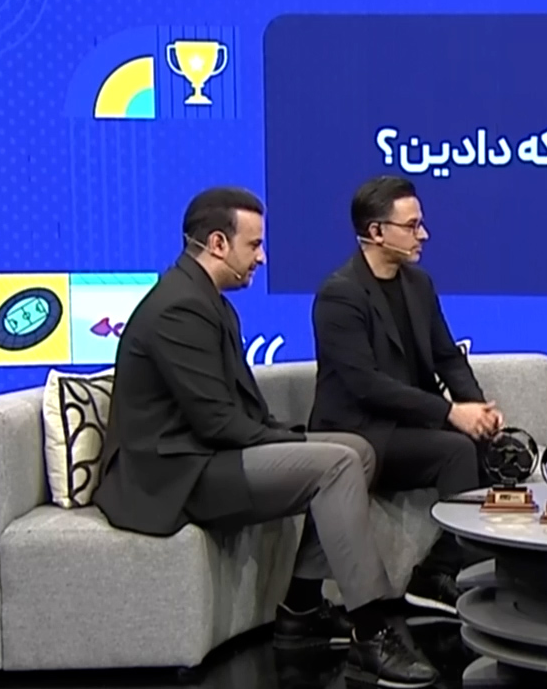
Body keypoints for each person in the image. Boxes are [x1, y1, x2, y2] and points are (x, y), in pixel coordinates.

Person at [93, 187, 439, 689]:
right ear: (217, 243)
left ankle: (301, 609)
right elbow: (216, 424)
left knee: (355, 450)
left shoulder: (208, 301)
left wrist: (290, 437)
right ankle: (371, 632)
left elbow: (236, 411)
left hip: (204, 456)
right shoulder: (179, 310)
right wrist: (290, 441)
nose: (262, 257)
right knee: (337, 463)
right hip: (175, 473)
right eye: (253, 245)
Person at [309, 175, 503, 615]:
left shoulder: (419, 284)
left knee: (489, 447)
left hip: (409, 425)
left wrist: (477, 408)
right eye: (412, 226)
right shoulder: (339, 295)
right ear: (376, 232)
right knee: (456, 451)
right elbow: (367, 385)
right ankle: (438, 574)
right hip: (360, 433)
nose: (424, 235)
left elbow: (447, 357)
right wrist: (450, 412)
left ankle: (487, 574)